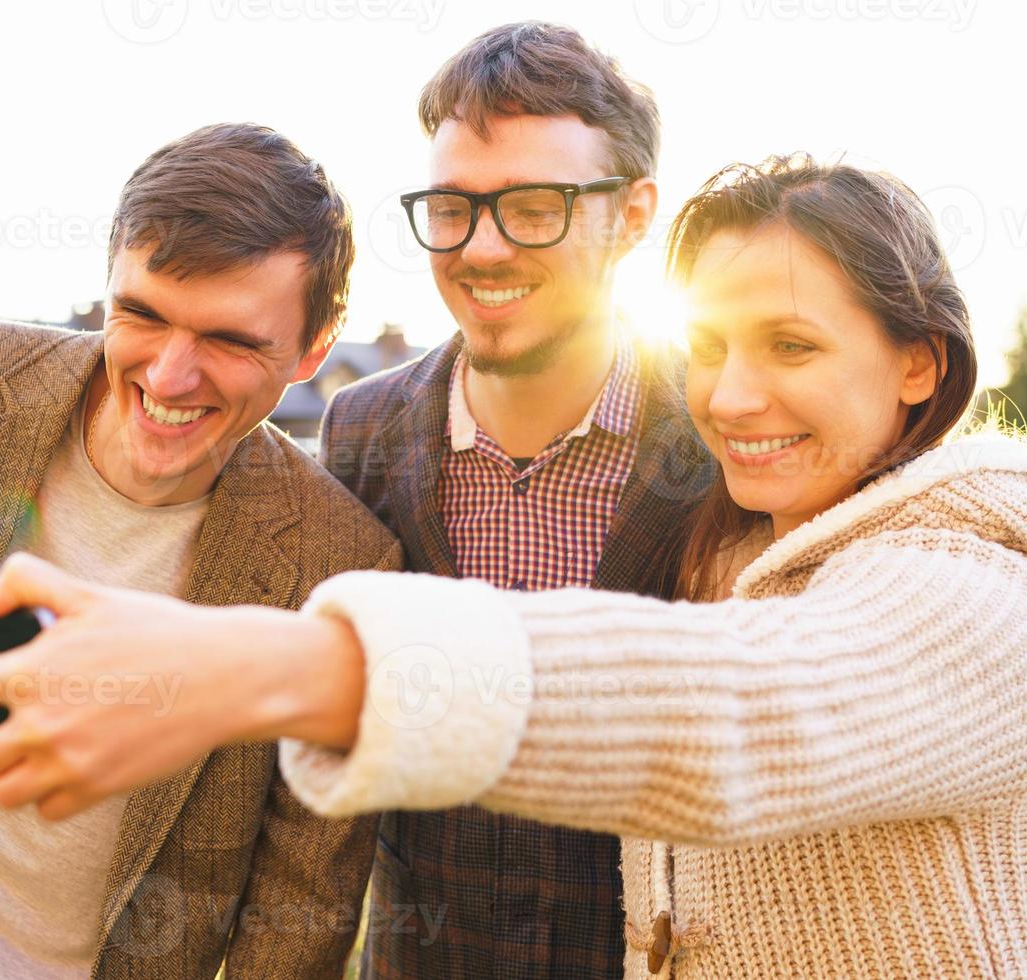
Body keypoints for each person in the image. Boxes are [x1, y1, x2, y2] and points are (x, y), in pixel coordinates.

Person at [0, 154, 1027, 979]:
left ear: (919, 365)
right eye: (711, 345)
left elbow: (730, 705)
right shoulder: (742, 545)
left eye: (791, 344)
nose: (730, 396)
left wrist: (268, 663)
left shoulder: (1001, 597)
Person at [0, 122, 400, 979]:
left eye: (231, 341)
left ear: (315, 348)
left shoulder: (343, 566)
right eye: (142, 315)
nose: (168, 377)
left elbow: (299, 911)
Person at [313, 21, 709, 976]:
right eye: (452, 206)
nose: (481, 248)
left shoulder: (724, 436)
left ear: (633, 214)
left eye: (534, 205)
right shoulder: (360, 436)